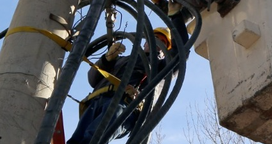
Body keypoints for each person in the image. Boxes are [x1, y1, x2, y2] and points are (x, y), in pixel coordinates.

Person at [67, 13, 187, 144]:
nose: (156, 42)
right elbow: (92, 80)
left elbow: (181, 53)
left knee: (94, 138)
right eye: (154, 38)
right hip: (96, 101)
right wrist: (106, 60)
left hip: (125, 106)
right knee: (76, 140)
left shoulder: (162, 68)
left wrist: (176, 17)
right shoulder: (122, 60)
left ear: (165, 50)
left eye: (162, 42)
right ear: (146, 42)